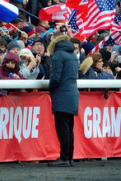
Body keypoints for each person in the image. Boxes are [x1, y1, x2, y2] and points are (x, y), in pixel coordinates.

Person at [48, 34, 79, 167]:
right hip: (72, 92)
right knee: (69, 128)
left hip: (62, 93)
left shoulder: (58, 55)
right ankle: (69, 157)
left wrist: (51, 89)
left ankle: (64, 157)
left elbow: (55, 77)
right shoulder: (72, 55)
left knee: (62, 128)